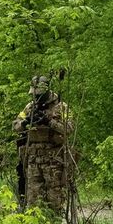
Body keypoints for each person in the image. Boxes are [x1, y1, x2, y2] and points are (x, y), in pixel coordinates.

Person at [14, 74, 75, 214]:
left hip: (54, 161)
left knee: (54, 201)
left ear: (47, 91)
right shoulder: (30, 107)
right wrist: (26, 122)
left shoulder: (61, 107)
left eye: (39, 94)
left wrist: (49, 121)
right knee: (33, 202)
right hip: (33, 160)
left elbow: (69, 128)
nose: (36, 97)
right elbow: (15, 125)